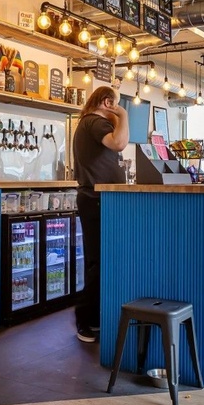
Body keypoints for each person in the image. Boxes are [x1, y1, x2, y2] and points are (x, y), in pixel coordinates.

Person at [72, 86, 129, 343]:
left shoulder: (91, 124)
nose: (117, 110)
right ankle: (84, 320)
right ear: (107, 103)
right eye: (115, 104)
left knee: (100, 260)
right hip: (95, 200)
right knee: (98, 262)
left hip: (99, 200)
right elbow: (119, 143)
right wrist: (123, 115)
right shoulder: (95, 122)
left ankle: (94, 318)